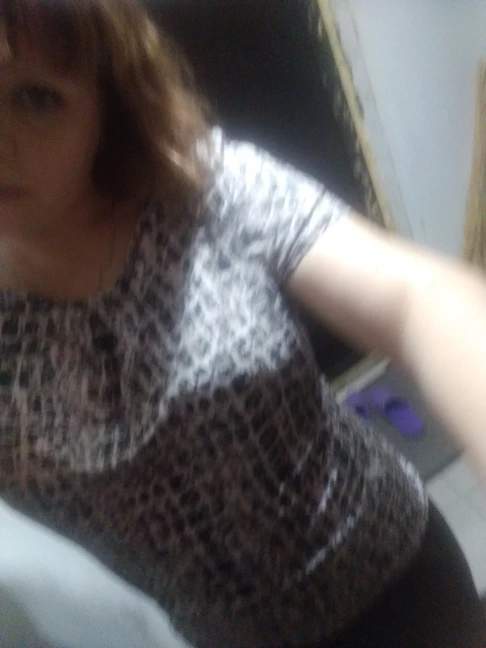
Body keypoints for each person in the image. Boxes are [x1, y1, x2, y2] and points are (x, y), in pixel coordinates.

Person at [0, 1, 484, 647]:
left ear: (103, 104)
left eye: (35, 97)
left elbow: (416, 296)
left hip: (400, 584)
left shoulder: (200, 188)